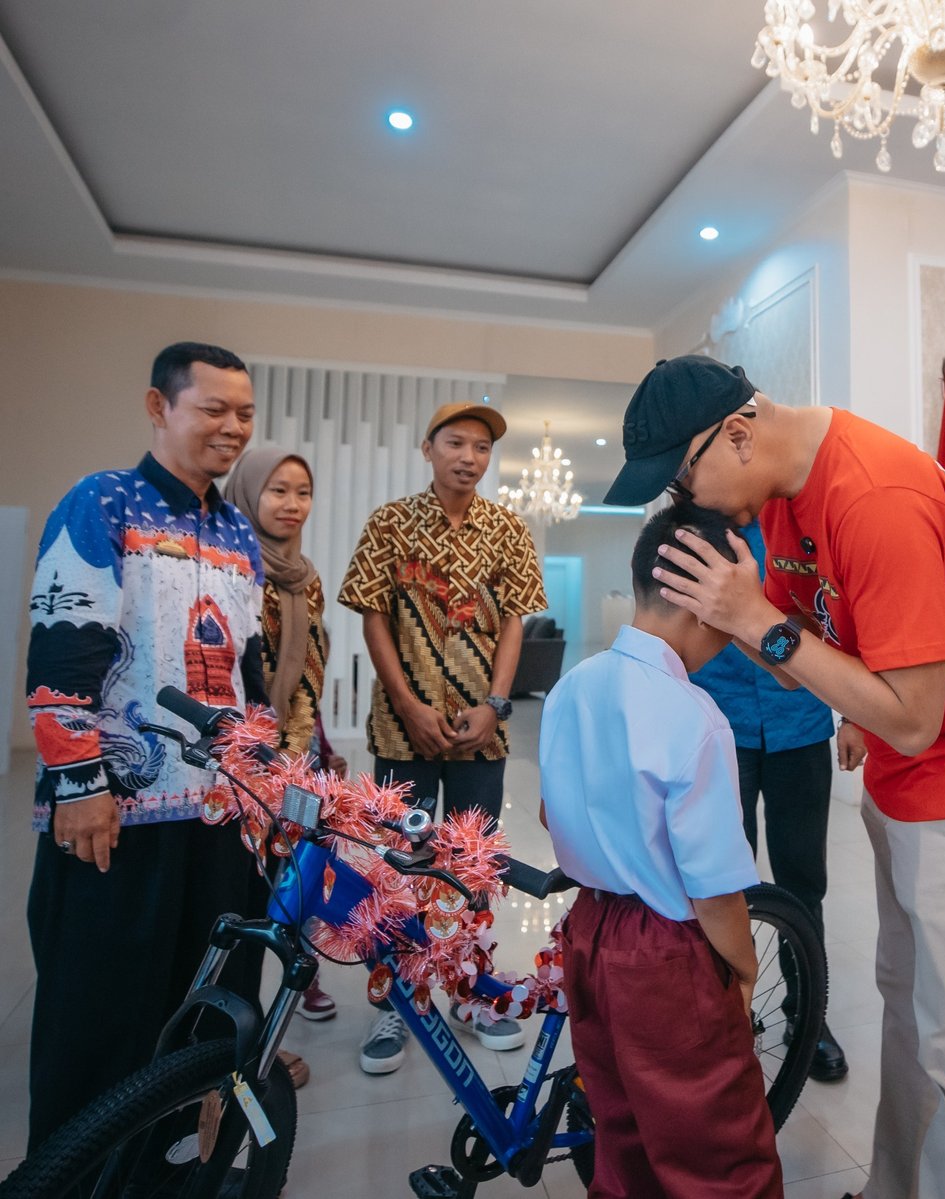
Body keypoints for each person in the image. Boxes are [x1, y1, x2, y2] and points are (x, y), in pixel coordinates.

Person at [604, 355, 945, 1199]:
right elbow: (800, 665)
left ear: (736, 434)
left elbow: (913, 716)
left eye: (682, 476)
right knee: (905, 999)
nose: (685, 499)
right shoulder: (778, 499)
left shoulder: (874, 497)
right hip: (907, 773)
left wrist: (758, 621)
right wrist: (733, 619)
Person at [24, 342, 268, 1148]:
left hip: (222, 815)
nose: (232, 427)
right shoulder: (103, 502)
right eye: (213, 408)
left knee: (203, 1016)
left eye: (244, 413)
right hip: (120, 816)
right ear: (159, 407)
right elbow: (65, 647)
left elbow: (248, 669)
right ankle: (80, 1178)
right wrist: (79, 784)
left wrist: (267, 781)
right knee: (100, 1019)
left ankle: (175, 1168)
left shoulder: (239, 530)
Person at [538, 502, 783, 1199]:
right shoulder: (694, 716)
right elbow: (713, 885)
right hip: (664, 953)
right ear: (706, 604)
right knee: (719, 1157)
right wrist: (742, 970)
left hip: (589, 931)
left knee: (622, 1138)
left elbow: (552, 813)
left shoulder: (571, 687)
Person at [338, 400, 545, 1073]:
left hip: (481, 729)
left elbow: (513, 620)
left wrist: (495, 705)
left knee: (473, 862)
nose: (469, 457)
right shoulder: (390, 523)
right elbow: (373, 615)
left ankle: (470, 989)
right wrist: (406, 702)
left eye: (481, 447)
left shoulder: (507, 528)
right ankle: (399, 1001)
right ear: (428, 448)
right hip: (404, 729)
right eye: (456, 443)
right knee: (402, 861)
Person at [689, 520, 849, 1082]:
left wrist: (855, 715)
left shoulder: (806, 523)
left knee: (803, 882)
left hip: (799, 722)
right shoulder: (697, 526)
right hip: (718, 723)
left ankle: (807, 1013)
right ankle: (723, 1019)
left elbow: (843, 618)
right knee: (722, 883)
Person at [222, 445, 339, 1021]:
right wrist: (258, 750)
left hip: (292, 752)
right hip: (232, 754)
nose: (293, 504)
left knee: (294, 866)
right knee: (236, 886)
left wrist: (295, 753)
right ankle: (225, 1019)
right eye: (278, 490)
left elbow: (310, 667)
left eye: (303, 492)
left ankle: (297, 977)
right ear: (248, 493)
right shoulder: (228, 566)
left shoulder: (305, 578)